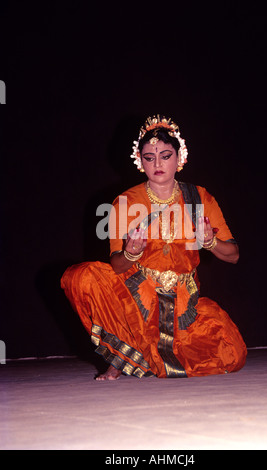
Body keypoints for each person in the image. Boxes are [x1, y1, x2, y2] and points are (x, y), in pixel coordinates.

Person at [61, 115, 247, 381]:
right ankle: (122, 357)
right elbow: (116, 265)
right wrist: (131, 253)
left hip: (184, 307)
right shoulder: (125, 202)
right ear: (140, 160)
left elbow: (234, 255)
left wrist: (210, 242)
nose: (158, 164)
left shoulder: (200, 198)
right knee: (81, 276)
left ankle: (140, 358)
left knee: (233, 353)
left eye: (165, 155)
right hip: (137, 301)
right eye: (149, 157)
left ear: (179, 157)